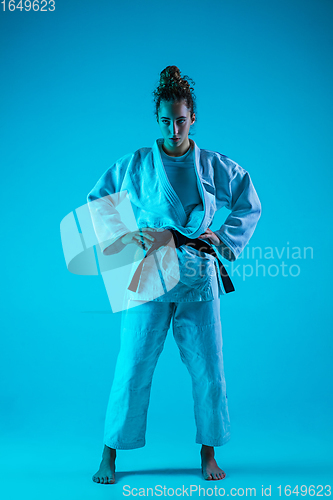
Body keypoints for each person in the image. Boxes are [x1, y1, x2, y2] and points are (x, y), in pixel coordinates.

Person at [87, 66, 262, 484]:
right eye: (165, 120)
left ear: (193, 118)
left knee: (208, 368)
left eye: (181, 119)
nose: (173, 128)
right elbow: (98, 201)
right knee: (131, 366)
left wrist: (221, 239)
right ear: (158, 119)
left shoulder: (214, 166)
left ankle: (208, 453)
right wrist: (128, 238)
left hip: (198, 278)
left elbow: (249, 203)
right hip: (149, 275)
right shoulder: (138, 164)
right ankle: (109, 454)